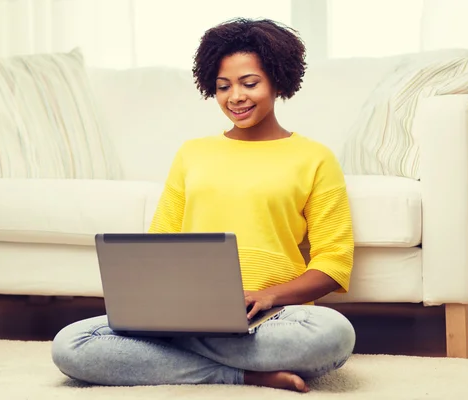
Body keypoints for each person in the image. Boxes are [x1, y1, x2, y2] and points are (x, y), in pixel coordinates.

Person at [51, 17, 356, 393]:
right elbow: (159, 243)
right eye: (223, 86)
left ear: (278, 80)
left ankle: (172, 359)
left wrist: (269, 295)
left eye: (249, 83)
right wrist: (157, 309)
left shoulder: (315, 158)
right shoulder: (192, 153)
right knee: (71, 344)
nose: (235, 97)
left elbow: (333, 263)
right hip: (186, 315)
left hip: (272, 319)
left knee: (334, 334)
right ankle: (240, 374)